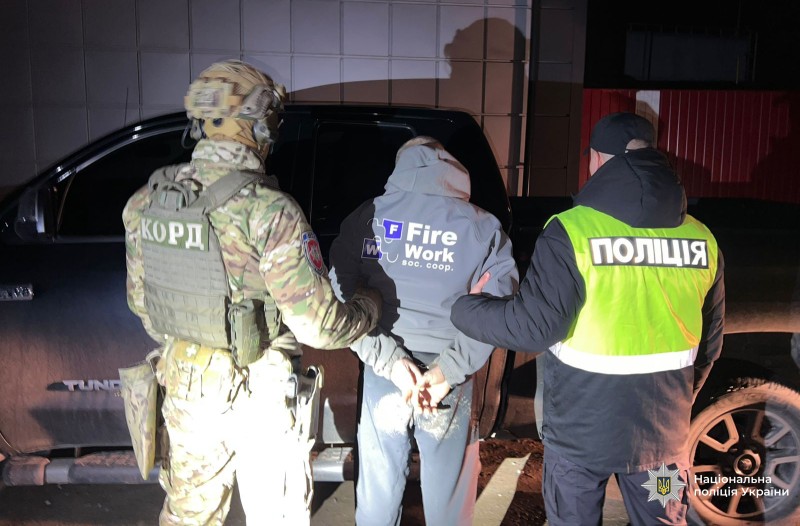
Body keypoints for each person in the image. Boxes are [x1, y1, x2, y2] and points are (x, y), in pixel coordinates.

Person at [122, 60, 381, 526]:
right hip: (260, 390)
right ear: (259, 126)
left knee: (189, 515)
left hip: (186, 384)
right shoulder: (268, 210)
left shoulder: (148, 200)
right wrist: (368, 307)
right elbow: (318, 326)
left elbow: (144, 307)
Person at [451, 112, 725, 525]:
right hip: (662, 445)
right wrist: (676, 402)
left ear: (597, 159)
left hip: (579, 444)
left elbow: (535, 327)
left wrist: (465, 308)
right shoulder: (701, 237)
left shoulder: (572, 231)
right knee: (663, 519)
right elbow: (710, 345)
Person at [328, 136, 519, 525]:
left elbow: (339, 293)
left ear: (400, 168)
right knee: (449, 493)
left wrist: (390, 362)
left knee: (378, 487)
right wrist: (448, 371)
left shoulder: (370, 216)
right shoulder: (482, 227)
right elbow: (498, 309)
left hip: (386, 371)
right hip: (449, 378)